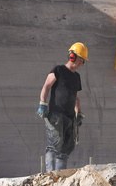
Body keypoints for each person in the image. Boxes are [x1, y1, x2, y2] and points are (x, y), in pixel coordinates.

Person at [37, 42, 87, 172]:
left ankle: (60, 175)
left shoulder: (77, 77)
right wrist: (43, 104)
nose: (82, 64)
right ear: (72, 57)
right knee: (54, 144)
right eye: (81, 60)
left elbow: (76, 97)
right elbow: (46, 86)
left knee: (66, 147)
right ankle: (50, 175)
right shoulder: (58, 70)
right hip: (56, 115)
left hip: (69, 117)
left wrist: (79, 113)